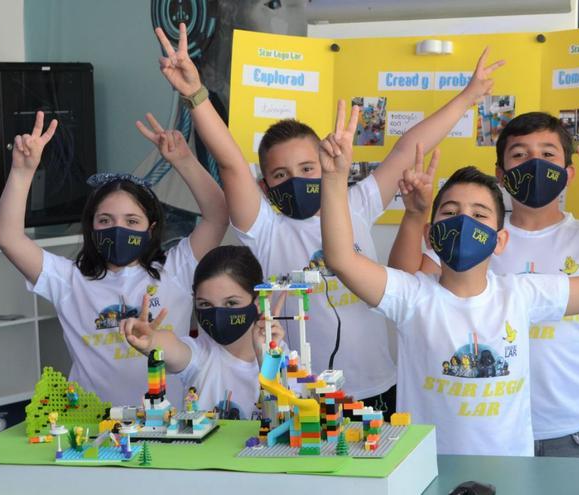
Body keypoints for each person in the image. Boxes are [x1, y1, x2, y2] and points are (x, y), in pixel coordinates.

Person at [152, 23, 505, 411]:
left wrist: (468, 96)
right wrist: (196, 96)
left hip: (379, 388)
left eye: (308, 168)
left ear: (325, 165)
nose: (297, 180)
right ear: (265, 187)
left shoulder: (356, 202)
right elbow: (231, 163)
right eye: (281, 175)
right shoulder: (263, 228)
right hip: (302, 397)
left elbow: (407, 149)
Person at [317, 103, 579, 456]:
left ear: (499, 240)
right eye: (451, 212)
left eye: (479, 214)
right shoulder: (412, 295)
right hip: (430, 463)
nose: (464, 222)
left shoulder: (521, 292)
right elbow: (342, 259)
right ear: (430, 233)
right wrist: (333, 179)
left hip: (533, 453)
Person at [0, 111, 227, 405]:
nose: (118, 229)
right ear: (91, 226)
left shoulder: (176, 270)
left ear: (150, 228)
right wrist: (22, 171)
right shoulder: (68, 280)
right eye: (105, 220)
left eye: (132, 221)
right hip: (93, 429)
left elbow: (217, 216)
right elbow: (7, 237)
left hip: (168, 423)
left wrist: (184, 160)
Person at [121, 245, 284, 420]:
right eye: (205, 304)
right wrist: (151, 340)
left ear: (259, 301)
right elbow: (172, 347)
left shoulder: (284, 358)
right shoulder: (200, 354)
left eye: (231, 303)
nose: (218, 314)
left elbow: (284, 419)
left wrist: (265, 359)